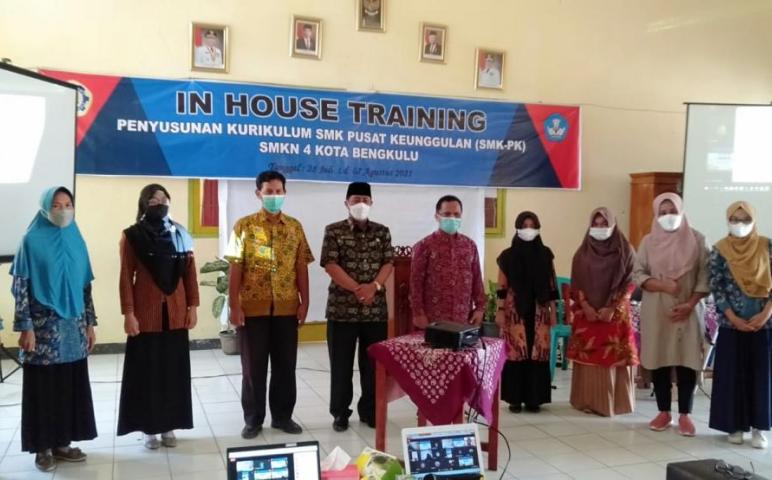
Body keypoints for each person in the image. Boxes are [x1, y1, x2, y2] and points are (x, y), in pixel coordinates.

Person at [11, 186, 97, 472]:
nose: (63, 210)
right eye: (56, 205)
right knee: (44, 387)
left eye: (68, 204)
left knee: (68, 385)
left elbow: (85, 286)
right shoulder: (31, 240)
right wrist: (25, 327)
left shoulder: (76, 238)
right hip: (43, 328)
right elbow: (21, 286)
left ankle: (62, 443)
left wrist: (90, 323)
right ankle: (43, 447)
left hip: (73, 327)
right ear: (46, 207)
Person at [225, 170, 314, 438]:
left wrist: (305, 302)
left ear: (284, 193)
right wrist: (234, 305)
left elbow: (301, 267)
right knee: (253, 369)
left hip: (287, 308)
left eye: (278, 191)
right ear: (258, 194)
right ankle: (253, 420)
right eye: (269, 192)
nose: (274, 196)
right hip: (252, 310)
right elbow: (235, 268)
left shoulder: (295, 227)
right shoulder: (244, 226)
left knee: (285, 367)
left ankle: (283, 417)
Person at [118, 184, 199, 449]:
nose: (160, 204)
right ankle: (149, 428)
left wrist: (192, 306)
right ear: (144, 204)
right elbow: (126, 277)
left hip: (176, 313)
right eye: (153, 200)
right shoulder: (132, 236)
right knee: (148, 373)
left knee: (172, 372)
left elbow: (189, 272)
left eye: (164, 200)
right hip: (146, 315)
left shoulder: (181, 234)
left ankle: (169, 425)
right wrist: (129, 313)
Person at [633, 192, 709, 436]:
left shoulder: (697, 239)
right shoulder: (648, 242)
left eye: (673, 211)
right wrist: (663, 286)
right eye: (663, 212)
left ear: (681, 211)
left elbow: (705, 276)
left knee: (687, 361)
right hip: (657, 310)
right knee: (659, 360)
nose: (668, 216)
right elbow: (638, 273)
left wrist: (690, 304)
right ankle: (663, 411)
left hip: (688, 310)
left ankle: (685, 414)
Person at [320, 182, 394, 432]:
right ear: (346, 203)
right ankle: (340, 413)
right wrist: (358, 289)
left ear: (371, 203)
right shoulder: (333, 231)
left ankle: (370, 411)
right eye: (355, 200)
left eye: (365, 199)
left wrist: (374, 287)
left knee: (373, 366)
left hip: (375, 311)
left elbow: (388, 263)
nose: (360, 204)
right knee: (341, 366)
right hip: (342, 311)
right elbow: (330, 265)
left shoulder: (382, 231)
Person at [709, 201, 772, 448]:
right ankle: (734, 425)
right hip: (731, 324)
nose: (740, 224)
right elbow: (717, 286)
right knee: (732, 376)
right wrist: (733, 318)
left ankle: (760, 428)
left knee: (762, 376)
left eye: (745, 219)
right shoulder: (720, 249)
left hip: (764, 324)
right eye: (734, 220)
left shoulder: (767, 246)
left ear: (753, 220)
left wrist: (766, 314)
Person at [567, 207, 638, 417]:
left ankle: (616, 403)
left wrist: (612, 308)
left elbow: (631, 282)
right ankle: (585, 401)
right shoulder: (582, 253)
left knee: (612, 355)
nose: (599, 228)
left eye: (604, 224)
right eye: (595, 224)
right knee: (589, 356)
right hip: (587, 314)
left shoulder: (625, 250)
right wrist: (586, 306)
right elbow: (576, 284)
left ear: (613, 225)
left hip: (615, 314)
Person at [495, 211, 558, 413]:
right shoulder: (507, 256)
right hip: (515, 312)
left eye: (532, 226)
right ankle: (514, 399)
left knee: (537, 352)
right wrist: (500, 310)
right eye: (524, 226)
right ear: (517, 229)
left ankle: (534, 399)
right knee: (516, 352)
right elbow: (502, 287)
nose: (528, 230)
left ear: (538, 229)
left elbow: (552, 285)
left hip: (540, 310)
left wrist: (554, 311)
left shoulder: (546, 254)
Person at [410, 195, 485, 328]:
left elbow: (477, 279)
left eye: (456, 214)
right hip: (433, 319)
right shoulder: (424, 246)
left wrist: (480, 308)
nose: (452, 218)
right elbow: (416, 283)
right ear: (437, 216)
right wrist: (418, 313)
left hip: (463, 318)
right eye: (447, 214)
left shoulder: (469, 245)